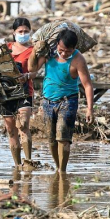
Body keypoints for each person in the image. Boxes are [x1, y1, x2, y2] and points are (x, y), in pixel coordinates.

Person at [28, 25, 94, 173]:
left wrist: (90, 109)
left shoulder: (78, 59)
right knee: (51, 139)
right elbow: (32, 70)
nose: (64, 54)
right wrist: (34, 51)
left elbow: (87, 85)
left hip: (68, 101)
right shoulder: (49, 54)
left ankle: (62, 171)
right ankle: (58, 167)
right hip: (47, 101)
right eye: (61, 50)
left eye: (68, 51)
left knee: (63, 137)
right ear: (57, 44)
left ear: (74, 48)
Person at [0, 18, 36, 167]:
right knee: (10, 129)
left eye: (26, 31)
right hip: (5, 92)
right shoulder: (5, 49)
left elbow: (35, 71)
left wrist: (26, 76)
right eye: (20, 31)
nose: (23, 34)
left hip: (25, 91)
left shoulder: (33, 51)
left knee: (23, 124)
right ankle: (17, 165)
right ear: (14, 33)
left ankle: (28, 161)